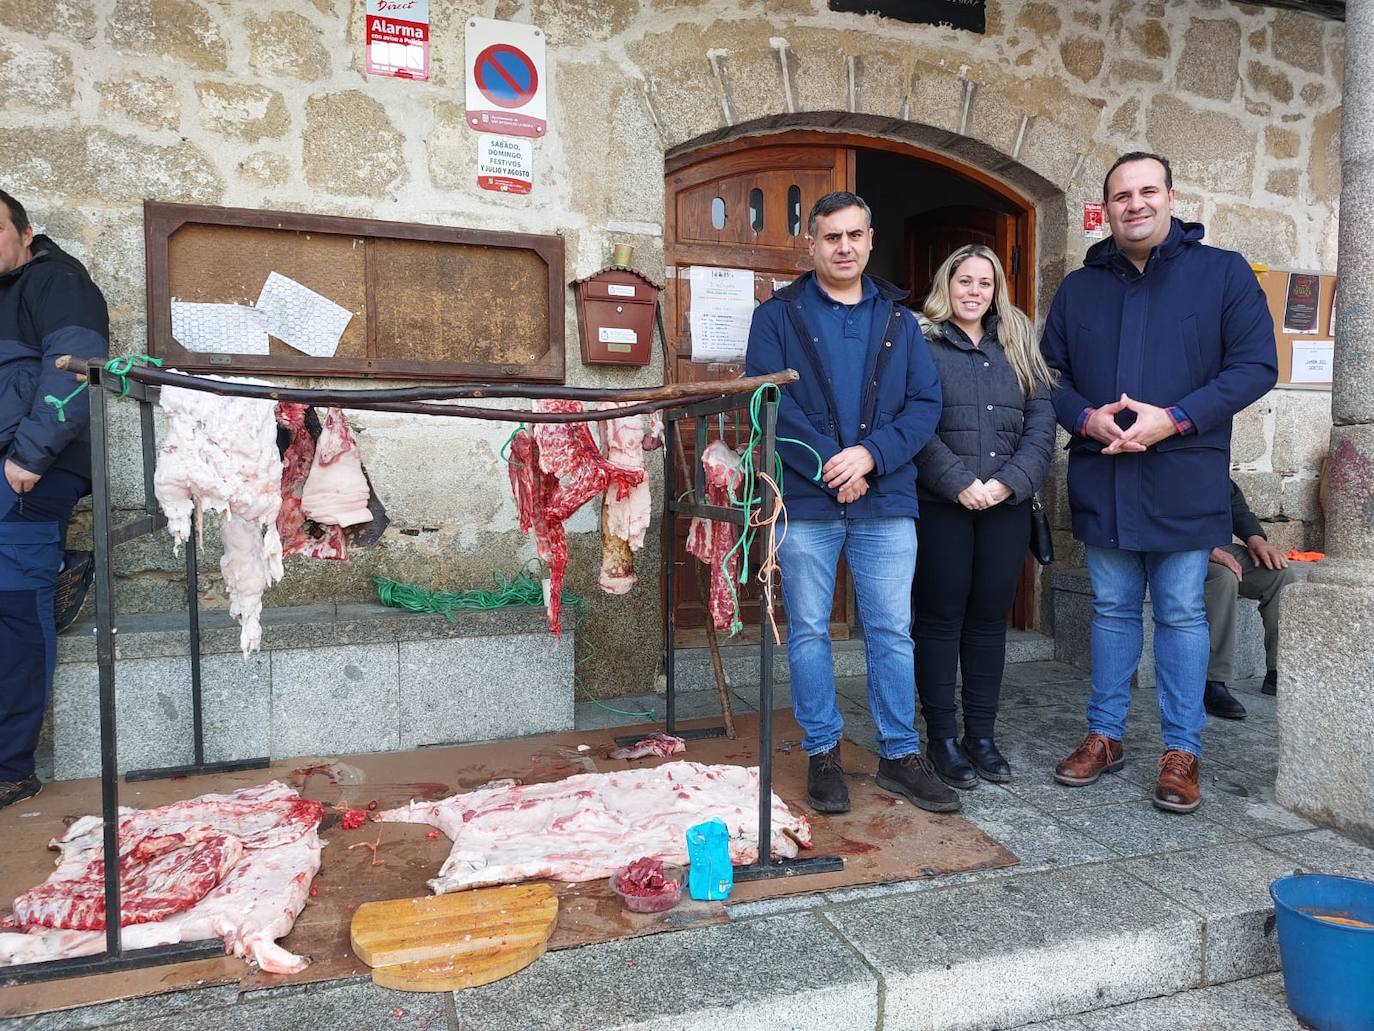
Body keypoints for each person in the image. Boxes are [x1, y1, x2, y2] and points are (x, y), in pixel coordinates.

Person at [1040, 153, 1277, 814]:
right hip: (1104, 475)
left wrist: (1172, 419)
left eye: (1147, 191)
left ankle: (1181, 750)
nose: (1134, 203)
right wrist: (1084, 417)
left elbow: (1257, 365)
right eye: (1122, 195)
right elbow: (1046, 373)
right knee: (1112, 608)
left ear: (1171, 198)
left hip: (1183, 476)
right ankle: (1105, 735)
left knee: (1180, 611)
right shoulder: (1080, 288)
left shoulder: (1222, 274)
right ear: (1107, 206)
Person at [744, 191, 954, 814]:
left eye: (854, 236)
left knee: (891, 631)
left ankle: (898, 754)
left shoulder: (899, 321)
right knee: (809, 630)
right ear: (811, 244)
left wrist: (870, 457)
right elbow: (768, 402)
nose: (844, 247)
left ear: (870, 240)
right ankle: (824, 753)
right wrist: (832, 466)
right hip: (805, 503)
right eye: (831, 237)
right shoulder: (777, 316)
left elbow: (924, 405)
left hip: (886, 500)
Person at [912, 245, 1057, 788]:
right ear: (946, 285)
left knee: (988, 624)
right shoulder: (920, 345)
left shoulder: (1019, 346)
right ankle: (943, 737)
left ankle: (981, 736)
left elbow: (1042, 427)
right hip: (942, 506)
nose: (974, 291)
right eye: (964, 280)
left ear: (997, 290)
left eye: (985, 283)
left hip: (1005, 506)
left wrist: (1006, 483)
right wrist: (959, 483)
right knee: (940, 620)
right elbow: (914, 425)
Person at [0, 189, 109, 808]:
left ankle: (10, 766)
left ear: (25, 230)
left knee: (14, 607)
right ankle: (63, 568)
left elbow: (76, 368)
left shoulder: (57, 282)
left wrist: (28, 457)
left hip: (27, 473)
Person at [1202, 479, 1296, 718]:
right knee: (1224, 577)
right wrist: (1206, 549)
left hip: (1217, 544)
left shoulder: (1210, 451)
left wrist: (1256, 538)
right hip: (1173, 546)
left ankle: (1278, 672)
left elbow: (1231, 498)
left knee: (1279, 573)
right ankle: (1212, 682)